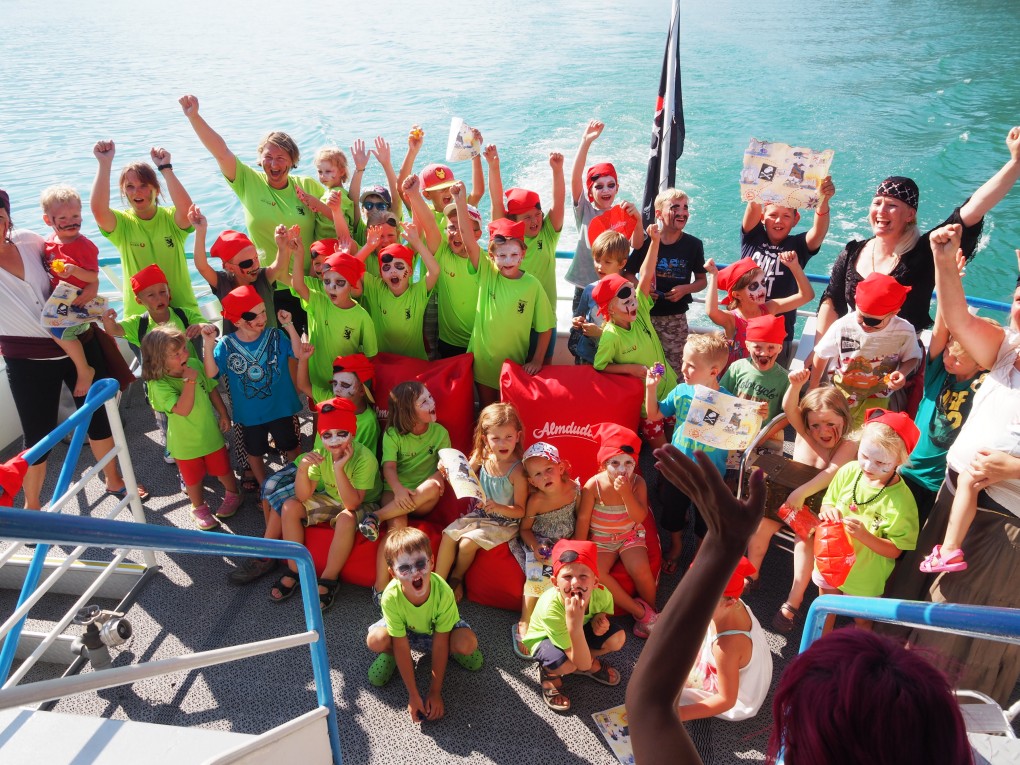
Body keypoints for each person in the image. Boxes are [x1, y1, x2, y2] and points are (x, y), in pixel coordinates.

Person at [892, 224, 1020, 703]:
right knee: (919, 594)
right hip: (955, 497)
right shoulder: (1009, 350)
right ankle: (892, 689)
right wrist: (945, 265)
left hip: (1005, 524)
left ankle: (948, 715)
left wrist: (1014, 470)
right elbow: (960, 321)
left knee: (960, 623)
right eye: (1019, 296)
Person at [0, 188, 138, 508]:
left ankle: (113, 480)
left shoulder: (30, 240)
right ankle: (32, 506)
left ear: (8, 219)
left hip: (80, 339)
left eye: (1, 218)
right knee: (37, 439)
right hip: (28, 361)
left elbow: (76, 264)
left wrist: (91, 288)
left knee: (99, 418)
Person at [815, 126, 1020, 339]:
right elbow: (832, 300)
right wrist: (816, 354)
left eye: (892, 205)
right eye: (877, 203)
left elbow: (974, 209)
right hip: (850, 356)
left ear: (910, 215)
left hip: (900, 362)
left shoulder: (923, 253)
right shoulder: (852, 252)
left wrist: (1015, 163)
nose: (881, 211)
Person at [179, 95, 330, 331]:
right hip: (266, 287)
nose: (273, 163)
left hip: (310, 284)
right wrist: (194, 117)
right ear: (260, 159)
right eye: (268, 157)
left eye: (281, 157)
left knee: (313, 350)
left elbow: (337, 215)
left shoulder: (308, 186)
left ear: (292, 160)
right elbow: (221, 152)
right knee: (278, 353)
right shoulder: (249, 182)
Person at [746, 370, 857, 633]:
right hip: (788, 494)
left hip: (819, 501)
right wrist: (795, 386)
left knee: (804, 541)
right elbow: (788, 407)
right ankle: (751, 574)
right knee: (761, 527)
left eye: (830, 423)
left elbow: (831, 473)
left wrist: (802, 494)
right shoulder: (805, 431)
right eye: (816, 425)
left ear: (843, 418)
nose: (822, 431)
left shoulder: (848, 445)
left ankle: (792, 603)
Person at [271, 397, 382, 612]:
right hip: (332, 498)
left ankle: (329, 579)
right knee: (289, 507)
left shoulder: (364, 458)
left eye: (342, 433)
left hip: (364, 503)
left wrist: (339, 468)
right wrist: (302, 469)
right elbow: (303, 496)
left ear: (353, 433)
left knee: (346, 518)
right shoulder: (321, 454)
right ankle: (295, 570)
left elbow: (352, 504)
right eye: (327, 435)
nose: (334, 441)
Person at [814, 409, 919, 631]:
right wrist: (828, 511)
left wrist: (864, 536)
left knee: (861, 619)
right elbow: (828, 502)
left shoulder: (902, 501)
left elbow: (896, 550)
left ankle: (859, 658)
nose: (869, 467)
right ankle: (816, 653)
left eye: (881, 462)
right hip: (831, 559)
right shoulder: (849, 471)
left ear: (900, 460)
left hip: (865, 575)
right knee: (826, 610)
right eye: (864, 456)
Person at [365, 526, 483, 722]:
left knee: (468, 644)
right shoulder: (390, 597)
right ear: (393, 574)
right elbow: (401, 643)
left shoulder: (443, 592)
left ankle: (453, 654)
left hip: (437, 634)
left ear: (432, 561)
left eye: (420, 564)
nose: (414, 573)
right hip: (405, 635)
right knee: (375, 640)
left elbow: (440, 641)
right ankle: (391, 656)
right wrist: (413, 694)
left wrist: (435, 692)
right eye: (404, 568)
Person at [202, 288, 306, 492]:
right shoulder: (226, 345)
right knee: (254, 451)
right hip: (250, 416)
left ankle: (297, 482)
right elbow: (211, 373)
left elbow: (297, 352)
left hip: (280, 408)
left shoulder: (275, 335)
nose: (262, 318)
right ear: (237, 321)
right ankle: (264, 485)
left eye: (263, 311)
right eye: (253, 315)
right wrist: (207, 344)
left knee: (291, 445)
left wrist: (289, 325)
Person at [901, 293, 992, 525]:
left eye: (958, 359)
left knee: (918, 537)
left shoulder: (986, 388)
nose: (948, 359)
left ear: (982, 363)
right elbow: (941, 328)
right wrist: (949, 281)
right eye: (948, 351)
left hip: (939, 483)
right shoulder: (939, 373)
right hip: (905, 467)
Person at [644, 332, 731, 569]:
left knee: (706, 518)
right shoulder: (681, 391)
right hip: (677, 468)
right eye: (683, 361)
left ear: (714, 371)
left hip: (710, 474)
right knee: (673, 511)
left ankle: (699, 556)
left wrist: (755, 416)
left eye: (691, 365)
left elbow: (740, 436)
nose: (683, 368)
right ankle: (677, 545)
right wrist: (651, 388)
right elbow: (654, 415)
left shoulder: (728, 402)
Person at [360, 382, 450, 600]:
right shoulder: (393, 434)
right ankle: (381, 587)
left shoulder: (440, 432)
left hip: (424, 498)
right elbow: (388, 468)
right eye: (424, 401)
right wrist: (399, 490)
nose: (432, 402)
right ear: (409, 413)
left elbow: (445, 467)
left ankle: (375, 517)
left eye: (430, 397)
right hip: (395, 493)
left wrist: (440, 475)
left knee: (433, 485)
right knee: (397, 530)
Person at [142, 325, 238, 530]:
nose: (184, 354)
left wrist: (223, 413)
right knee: (192, 479)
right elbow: (182, 409)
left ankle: (233, 494)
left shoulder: (194, 363)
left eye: (184, 349)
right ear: (159, 360)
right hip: (184, 443)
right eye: (176, 354)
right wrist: (189, 381)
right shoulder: (158, 384)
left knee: (223, 469)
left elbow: (212, 390)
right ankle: (198, 507)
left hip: (210, 435)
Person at [90, 141, 199, 319]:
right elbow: (99, 211)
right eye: (130, 187)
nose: (136, 192)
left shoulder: (171, 218)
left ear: (155, 189)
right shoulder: (122, 224)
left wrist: (165, 168)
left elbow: (188, 210)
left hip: (183, 313)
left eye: (143, 186)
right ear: (124, 192)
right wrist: (104, 164)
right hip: (141, 319)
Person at [435, 403, 527, 602]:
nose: (503, 443)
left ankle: (456, 577)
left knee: (468, 542)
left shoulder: (518, 470)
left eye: (508, 437)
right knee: (449, 534)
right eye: (496, 438)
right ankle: (437, 585)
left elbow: (520, 511)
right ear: (485, 439)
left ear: (517, 437)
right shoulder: (483, 455)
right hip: (482, 514)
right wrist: (448, 472)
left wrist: (499, 507)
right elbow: (464, 478)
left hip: (506, 521)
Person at [522, 539, 626, 713]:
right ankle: (550, 673)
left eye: (583, 576)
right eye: (567, 577)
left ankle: (582, 658)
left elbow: (603, 610)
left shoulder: (601, 593)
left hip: (577, 631)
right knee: (569, 666)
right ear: (555, 582)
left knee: (617, 638)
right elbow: (581, 658)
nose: (576, 583)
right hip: (545, 638)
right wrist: (575, 626)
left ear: (595, 582)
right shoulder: (551, 608)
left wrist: (598, 620)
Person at [575, 423, 658, 637]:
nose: (622, 470)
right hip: (602, 539)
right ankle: (640, 612)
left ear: (635, 464)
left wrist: (626, 495)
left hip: (629, 536)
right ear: (603, 465)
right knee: (597, 573)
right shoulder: (593, 485)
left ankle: (652, 610)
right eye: (615, 463)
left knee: (641, 569)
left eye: (628, 463)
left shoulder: (638, 483)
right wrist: (579, 549)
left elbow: (639, 517)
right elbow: (583, 519)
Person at [741, 177, 834, 366]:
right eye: (773, 215)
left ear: (795, 220)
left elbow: (818, 232)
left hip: (777, 335)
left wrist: (823, 200)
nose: (778, 221)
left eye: (786, 216)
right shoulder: (752, 237)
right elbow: (753, 205)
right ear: (762, 218)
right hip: (744, 326)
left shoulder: (798, 245)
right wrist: (761, 179)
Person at [485, 145, 565, 361]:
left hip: (544, 321)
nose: (535, 221)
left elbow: (559, 203)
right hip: (513, 318)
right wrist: (494, 167)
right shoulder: (508, 237)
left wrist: (557, 171)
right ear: (514, 221)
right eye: (527, 217)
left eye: (537, 214)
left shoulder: (547, 234)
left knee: (543, 366)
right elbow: (496, 203)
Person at [810, 272, 922, 426]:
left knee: (864, 436)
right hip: (841, 391)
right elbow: (821, 354)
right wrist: (813, 386)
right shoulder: (843, 325)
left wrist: (902, 373)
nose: (864, 324)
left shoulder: (905, 330)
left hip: (878, 396)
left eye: (871, 321)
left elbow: (912, 357)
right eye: (861, 316)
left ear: (894, 313)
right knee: (836, 430)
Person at [467, 218, 556, 407]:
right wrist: (459, 201)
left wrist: (537, 360)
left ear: (523, 254)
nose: (508, 261)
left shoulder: (532, 285)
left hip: (513, 366)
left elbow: (546, 326)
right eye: (502, 256)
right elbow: (468, 241)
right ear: (491, 256)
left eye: (514, 254)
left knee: (508, 411)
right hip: (482, 364)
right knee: (486, 409)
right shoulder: (487, 273)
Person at [594, 224, 678, 419]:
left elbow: (646, 274)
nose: (633, 304)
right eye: (626, 302)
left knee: (675, 436)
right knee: (659, 445)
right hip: (645, 403)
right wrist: (629, 369)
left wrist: (655, 242)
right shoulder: (610, 335)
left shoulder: (639, 309)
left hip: (670, 388)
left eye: (633, 298)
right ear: (610, 309)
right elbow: (600, 366)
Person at [677, 557, 772, 722]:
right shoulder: (733, 604)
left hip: (738, 699)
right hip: (734, 669)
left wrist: (679, 714)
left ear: (729, 603)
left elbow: (726, 700)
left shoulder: (726, 646)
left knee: (670, 682)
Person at [564, 120, 644, 317]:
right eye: (598, 186)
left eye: (610, 185)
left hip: (613, 286)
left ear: (617, 188)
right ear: (590, 192)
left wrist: (638, 219)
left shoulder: (624, 213)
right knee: (581, 333)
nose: (605, 190)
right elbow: (575, 179)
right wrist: (586, 142)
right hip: (585, 286)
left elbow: (638, 244)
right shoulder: (584, 210)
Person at [509, 442, 580, 658]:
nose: (545, 477)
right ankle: (525, 619)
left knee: (572, 576)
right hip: (542, 543)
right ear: (531, 481)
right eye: (538, 475)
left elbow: (580, 520)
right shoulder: (536, 501)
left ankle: (568, 620)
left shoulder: (575, 491)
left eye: (549, 469)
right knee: (536, 576)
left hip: (566, 542)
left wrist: (575, 545)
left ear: (560, 468)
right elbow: (525, 530)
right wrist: (536, 546)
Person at [626, 188, 708, 375]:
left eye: (685, 207)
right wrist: (642, 289)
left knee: (676, 368)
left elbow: (702, 281)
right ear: (659, 214)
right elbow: (628, 273)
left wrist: (685, 289)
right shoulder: (647, 242)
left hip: (675, 318)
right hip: (645, 316)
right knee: (646, 364)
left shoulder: (694, 245)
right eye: (675, 207)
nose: (682, 212)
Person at [291, 248, 377, 397]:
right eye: (327, 281)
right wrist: (299, 254)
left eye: (339, 282)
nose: (332, 287)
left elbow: (370, 355)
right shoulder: (319, 301)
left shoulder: (362, 316)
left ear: (351, 284)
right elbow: (298, 286)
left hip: (344, 386)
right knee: (321, 416)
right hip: (316, 380)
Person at [38, 184, 99, 396]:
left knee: (58, 332)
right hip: (62, 301)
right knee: (52, 328)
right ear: (48, 220)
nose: (70, 221)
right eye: (62, 218)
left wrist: (75, 270)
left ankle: (84, 369)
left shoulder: (84, 246)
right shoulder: (48, 243)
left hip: (80, 303)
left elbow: (93, 276)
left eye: (75, 215)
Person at [705, 253, 813, 372]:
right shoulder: (732, 319)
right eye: (753, 286)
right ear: (737, 295)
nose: (761, 289)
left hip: (761, 376)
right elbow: (712, 311)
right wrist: (714, 276)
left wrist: (795, 267)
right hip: (735, 378)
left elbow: (807, 296)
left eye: (763, 283)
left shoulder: (770, 308)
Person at [571, 231, 632, 366]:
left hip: (616, 360)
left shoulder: (629, 295)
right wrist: (578, 322)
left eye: (607, 262)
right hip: (589, 356)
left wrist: (599, 333)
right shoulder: (589, 290)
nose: (600, 266)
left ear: (622, 263)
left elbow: (630, 334)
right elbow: (580, 316)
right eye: (597, 260)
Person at [719, 314, 791, 425]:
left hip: (761, 433)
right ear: (747, 345)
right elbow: (721, 396)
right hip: (731, 426)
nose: (764, 353)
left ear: (780, 348)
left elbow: (786, 415)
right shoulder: (737, 368)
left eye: (771, 347)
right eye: (757, 347)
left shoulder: (785, 379)